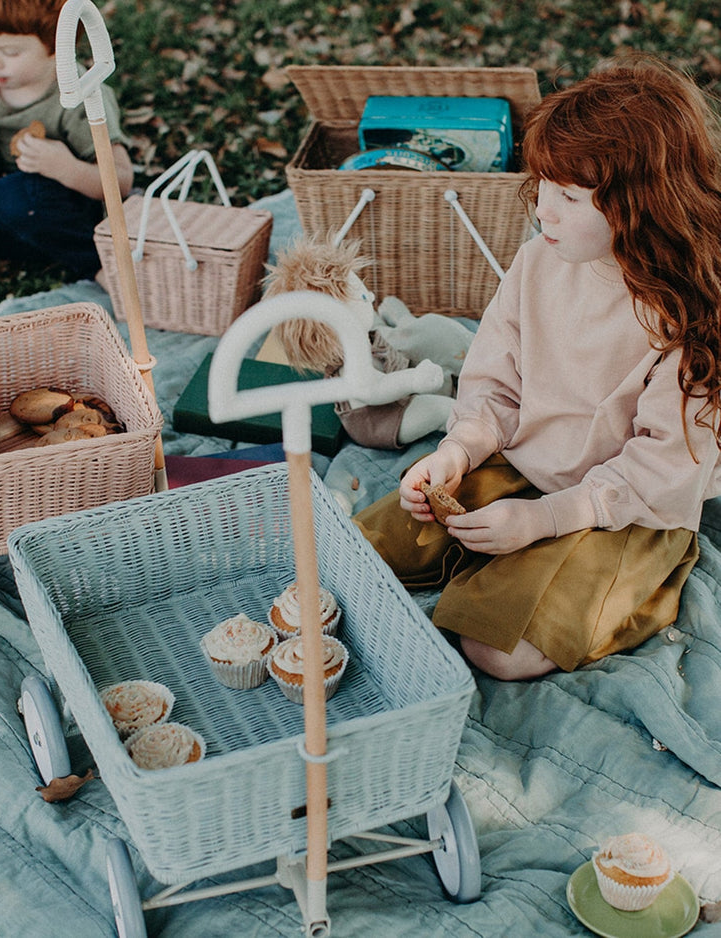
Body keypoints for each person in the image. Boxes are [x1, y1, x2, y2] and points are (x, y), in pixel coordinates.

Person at [355, 57, 721, 681]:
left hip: (625, 510)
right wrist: (459, 452)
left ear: (642, 205)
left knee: (498, 649)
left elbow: (662, 470)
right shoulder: (537, 264)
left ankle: (638, 589)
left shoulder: (690, 319)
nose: (542, 211)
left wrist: (545, 520)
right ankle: (498, 561)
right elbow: (493, 383)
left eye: (569, 197)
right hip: (522, 466)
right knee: (358, 554)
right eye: (542, 185)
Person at [0, 0, 132, 280]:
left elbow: (122, 181)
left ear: (57, 47)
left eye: (10, 51)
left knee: (12, 197)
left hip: (54, 219)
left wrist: (66, 168)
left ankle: (99, 267)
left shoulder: (81, 94)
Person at [265, 233, 472, 449]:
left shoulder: (356, 334)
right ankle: (476, 425)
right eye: (364, 297)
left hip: (385, 369)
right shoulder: (354, 364)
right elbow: (375, 389)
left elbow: (369, 327)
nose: (371, 296)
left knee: (398, 332)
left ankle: (403, 322)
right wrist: (414, 379)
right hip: (384, 416)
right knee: (438, 409)